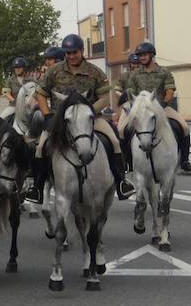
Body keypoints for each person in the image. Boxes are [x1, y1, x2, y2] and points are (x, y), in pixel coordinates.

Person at [26, 33, 131, 203]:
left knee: (114, 141)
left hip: (90, 118)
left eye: (74, 52)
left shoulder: (95, 71)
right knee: (41, 147)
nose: (71, 56)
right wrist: (47, 116)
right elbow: (40, 94)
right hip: (61, 120)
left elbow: (104, 98)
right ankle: (37, 188)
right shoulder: (54, 71)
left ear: (81, 51)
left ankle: (121, 182)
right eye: (68, 53)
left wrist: (86, 111)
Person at [117, 40, 191, 170]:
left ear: (152, 55)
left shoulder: (164, 72)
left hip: (161, 107)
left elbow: (169, 91)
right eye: (140, 55)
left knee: (185, 127)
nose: (142, 58)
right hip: (140, 109)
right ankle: (126, 162)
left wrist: (161, 104)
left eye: (144, 55)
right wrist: (134, 105)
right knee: (121, 130)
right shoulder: (134, 74)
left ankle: (185, 160)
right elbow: (131, 92)